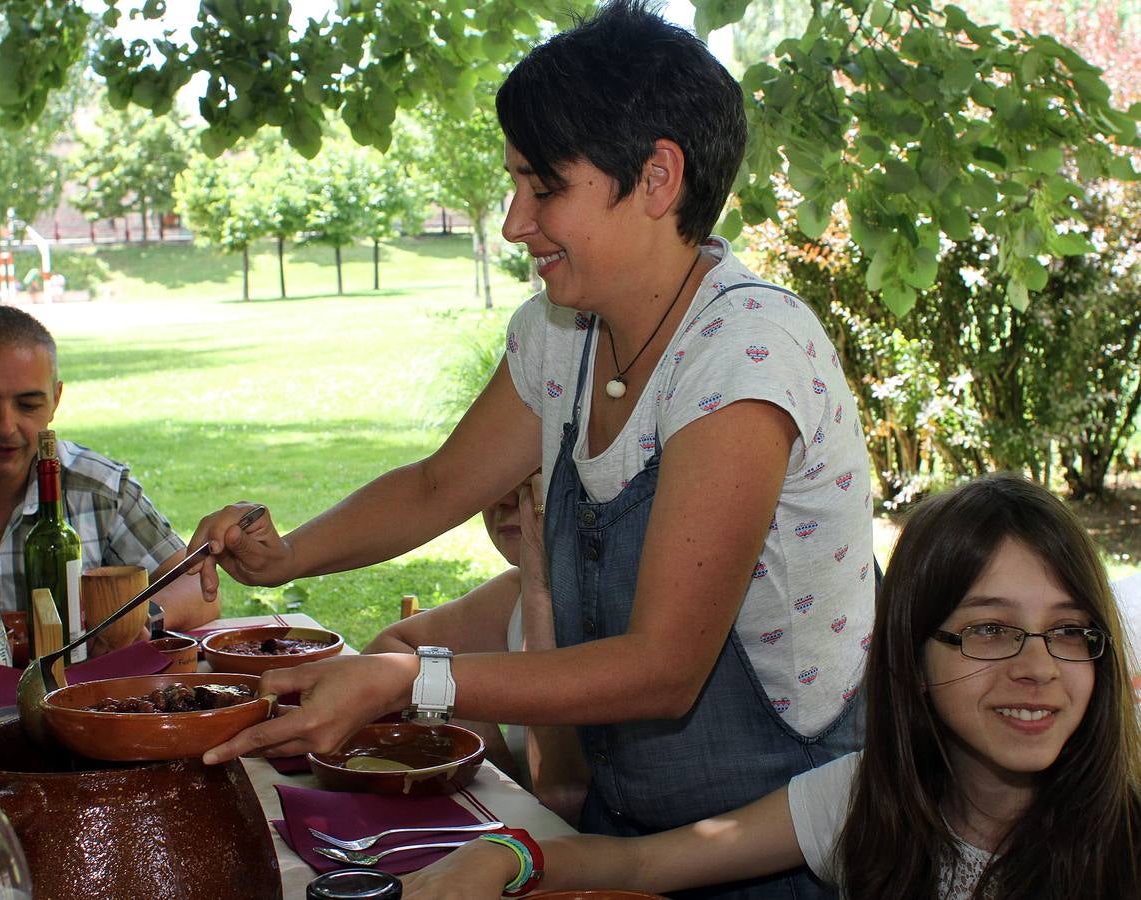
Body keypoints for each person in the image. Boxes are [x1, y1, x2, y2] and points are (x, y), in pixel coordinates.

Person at [192, 4, 873, 897]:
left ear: (658, 177)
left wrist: (407, 679)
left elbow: (664, 670)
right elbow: (438, 484)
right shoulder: (563, 333)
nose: (517, 223)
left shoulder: (747, 354)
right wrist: (284, 560)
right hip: (617, 838)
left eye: (543, 186)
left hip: (776, 851)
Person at [401, 473, 1141, 899]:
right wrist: (503, 856)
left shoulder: (1124, 839)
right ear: (910, 656)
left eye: (1071, 631)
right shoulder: (864, 800)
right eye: (990, 630)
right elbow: (640, 861)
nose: (1038, 667)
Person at [0, 305, 217, 645]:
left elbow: (197, 586)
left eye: (28, 405)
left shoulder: (99, 488)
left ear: (55, 401)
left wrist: (137, 619)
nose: (6, 427)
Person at [363, 475, 589, 823]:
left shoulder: (619, 609)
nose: (503, 499)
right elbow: (388, 650)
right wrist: (476, 734)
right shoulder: (512, 594)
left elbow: (561, 798)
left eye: (532, 480)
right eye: (498, 476)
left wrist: (539, 591)